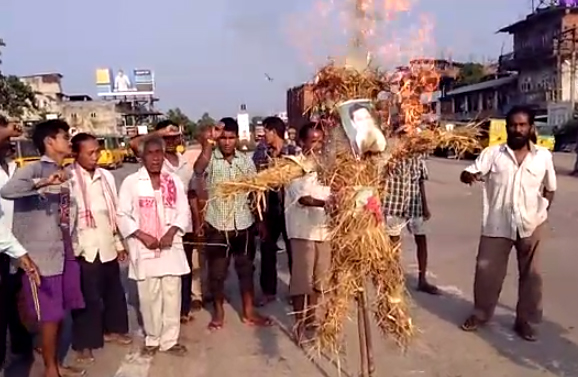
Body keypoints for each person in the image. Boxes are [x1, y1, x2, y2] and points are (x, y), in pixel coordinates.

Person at [460, 105, 556, 342]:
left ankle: (525, 321)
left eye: (522, 125)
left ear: (531, 127)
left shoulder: (543, 156)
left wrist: (540, 210)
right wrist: (468, 176)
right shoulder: (493, 153)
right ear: (507, 127)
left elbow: (550, 188)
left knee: (531, 276)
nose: (517, 129)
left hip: (532, 225)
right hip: (497, 224)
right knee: (486, 272)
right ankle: (480, 314)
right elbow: (468, 171)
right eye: (513, 125)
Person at [0, 119, 85, 377]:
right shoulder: (33, 169)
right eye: (64, 137)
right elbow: (8, 191)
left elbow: (70, 211)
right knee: (49, 315)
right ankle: (50, 369)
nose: (69, 142)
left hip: (63, 251)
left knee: (59, 314)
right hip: (40, 257)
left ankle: (54, 363)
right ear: (49, 142)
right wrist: (42, 183)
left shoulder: (67, 172)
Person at [193, 117, 272, 330]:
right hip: (217, 226)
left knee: (246, 270)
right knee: (217, 274)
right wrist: (209, 140)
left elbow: (255, 193)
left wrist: (260, 221)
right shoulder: (210, 159)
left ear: (237, 138)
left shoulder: (245, 161)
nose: (227, 142)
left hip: (244, 224)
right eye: (223, 138)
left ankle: (248, 312)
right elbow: (198, 169)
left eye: (231, 138)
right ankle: (218, 313)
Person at [117, 136, 190, 357]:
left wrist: (171, 232)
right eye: (150, 153)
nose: (156, 158)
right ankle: (152, 338)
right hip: (144, 248)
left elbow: (183, 211)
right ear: (142, 156)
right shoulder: (132, 182)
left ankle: (170, 340)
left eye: (159, 152)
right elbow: (122, 214)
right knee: (148, 297)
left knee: (172, 295)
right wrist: (141, 235)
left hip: (170, 247)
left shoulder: (173, 181)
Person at [130, 121, 202, 322]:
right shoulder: (154, 162)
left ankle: (182, 310)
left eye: (174, 137)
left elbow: (192, 195)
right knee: (160, 271)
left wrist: (196, 223)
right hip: (157, 227)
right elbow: (135, 144)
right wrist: (157, 133)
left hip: (182, 225)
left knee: (184, 268)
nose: (171, 142)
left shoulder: (185, 163)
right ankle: (161, 313)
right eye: (166, 138)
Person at [68, 133, 131, 363]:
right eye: (90, 152)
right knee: (86, 298)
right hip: (83, 248)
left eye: (98, 151)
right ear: (76, 154)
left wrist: (118, 242)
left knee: (113, 292)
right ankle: (85, 343)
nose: (96, 156)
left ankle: (113, 330)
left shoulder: (106, 177)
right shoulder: (68, 178)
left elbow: (112, 212)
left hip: (107, 244)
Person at [285, 122, 330, 344]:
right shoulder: (293, 166)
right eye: (313, 141)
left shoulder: (328, 166)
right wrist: (328, 205)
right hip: (303, 231)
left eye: (320, 140)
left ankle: (313, 319)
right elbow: (302, 198)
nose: (317, 145)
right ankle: (298, 324)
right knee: (302, 282)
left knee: (320, 281)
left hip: (325, 231)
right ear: (302, 142)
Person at [0, 116, 37, 370]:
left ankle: (22, 348)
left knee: (17, 299)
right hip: (7, 246)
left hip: (15, 243)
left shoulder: (12, 167)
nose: (12, 139)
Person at [382, 129, 439, 295]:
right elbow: (381, 179)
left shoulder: (418, 156)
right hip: (393, 205)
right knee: (393, 243)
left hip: (414, 205)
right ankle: (393, 279)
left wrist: (425, 205)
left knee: (421, 240)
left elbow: (421, 181)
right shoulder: (391, 154)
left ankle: (422, 280)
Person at [252, 116, 298, 306]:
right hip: (269, 208)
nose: (264, 135)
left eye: (266, 131)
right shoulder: (261, 153)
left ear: (274, 131)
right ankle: (268, 292)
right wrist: (259, 216)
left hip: (290, 207)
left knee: (293, 251)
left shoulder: (293, 152)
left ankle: (296, 291)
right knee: (267, 249)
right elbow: (255, 180)